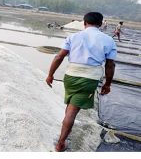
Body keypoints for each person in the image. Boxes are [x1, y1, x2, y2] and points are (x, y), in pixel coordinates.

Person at [45, 12, 116, 152]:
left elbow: (59, 56)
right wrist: (108, 84)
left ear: (84, 23)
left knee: (71, 105)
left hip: (70, 76)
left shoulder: (74, 37)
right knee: (72, 110)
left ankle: (64, 132)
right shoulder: (108, 40)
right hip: (89, 79)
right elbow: (110, 65)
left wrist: (50, 75)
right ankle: (61, 143)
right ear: (101, 24)